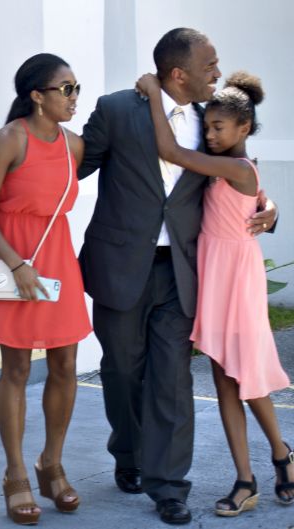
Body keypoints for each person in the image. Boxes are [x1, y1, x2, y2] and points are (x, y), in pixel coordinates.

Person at [78, 27, 278, 525]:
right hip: (121, 263)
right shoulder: (119, 109)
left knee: (171, 379)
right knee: (122, 371)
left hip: (184, 271)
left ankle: (169, 486)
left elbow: (243, 178)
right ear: (178, 73)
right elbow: (74, 167)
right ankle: (130, 455)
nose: (217, 70)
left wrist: (270, 208)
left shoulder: (215, 121)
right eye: (209, 63)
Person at [136, 70, 293, 517]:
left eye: (218, 127)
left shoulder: (237, 168)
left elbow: (169, 150)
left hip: (237, 280)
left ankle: (281, 454)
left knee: (248, 378)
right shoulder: (232, 164)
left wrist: (151, 92)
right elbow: (258, 202)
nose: (209, 133)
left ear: (244, 128)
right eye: (207, 127)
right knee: (225, 380)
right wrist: (272, 206)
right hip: (214, 277)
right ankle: (246, 479)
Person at [0, 53, 92, 524]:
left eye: (77, 87)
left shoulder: (74, 146)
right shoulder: (8, 140)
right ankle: (15, 472)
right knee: (16, 366)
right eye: (66, 89)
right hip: (12, 258)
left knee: (65, 362)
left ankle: (52, 463)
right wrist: (17, 265)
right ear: (37, 95)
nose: (74, 97)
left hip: (58, 258)